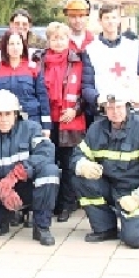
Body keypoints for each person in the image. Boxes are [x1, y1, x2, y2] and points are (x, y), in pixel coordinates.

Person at [72, 88, 139, 248]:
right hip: (112, 189)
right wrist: (83, 165)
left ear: (127, 107)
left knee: (134, 238)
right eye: (110, 108)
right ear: (104, 109)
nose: (115, 112)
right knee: (80, 178)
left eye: (118, 107)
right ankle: (106, 229)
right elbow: (77, 155)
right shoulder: (96, 130)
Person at [0, 90, 60, 246]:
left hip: (24, 188)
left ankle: (41, 227)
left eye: (8, 114)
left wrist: (17, 174)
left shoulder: (31, 129)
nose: (3, 119)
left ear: (16, 114)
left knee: (50, 172)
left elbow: (46, 153)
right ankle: (1, 220)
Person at [41, 21, 86, 222]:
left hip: (71, 121)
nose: (58, 42)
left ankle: (67, 205)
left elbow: (87, 90)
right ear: (48, 40)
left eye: (62, 38)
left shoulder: (79, 61)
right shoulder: (40, 61)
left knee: (68, 166)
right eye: (54, 38)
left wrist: (75, 110)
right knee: (49, 163)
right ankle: (51, 204)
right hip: (48, 120)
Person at [82, 4, 139, 116]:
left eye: (113, 17)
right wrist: (97, 99)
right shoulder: (91, 50)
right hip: (104, 111)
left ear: (119, 20)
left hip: (130, 109)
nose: (110, 21)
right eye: (106, 18)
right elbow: (86, 85)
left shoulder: (133, 46)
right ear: (100, 21)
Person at [0, 30, 51, 135]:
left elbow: (43, 98)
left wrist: (46, 127)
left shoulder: (34, 68)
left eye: (18, 43)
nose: (15, 47)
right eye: (11, 44)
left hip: (31, 121)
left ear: (23, 46)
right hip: (5, 124)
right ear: (5, 47)